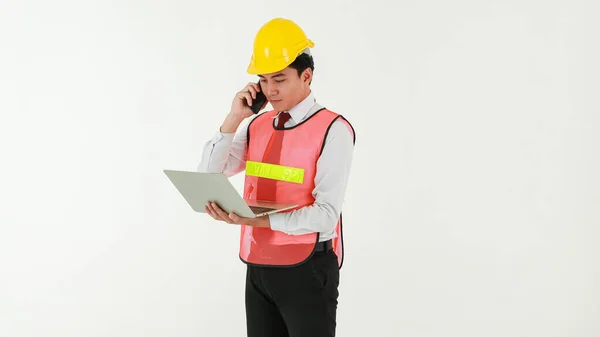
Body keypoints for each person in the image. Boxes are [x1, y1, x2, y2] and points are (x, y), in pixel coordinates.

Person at [197, 17, 356, 337]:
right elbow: (208, 176)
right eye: (264, 80)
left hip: (307, 268)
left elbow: (326, 216)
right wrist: (234, 117)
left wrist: (260, 222)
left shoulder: (333, 130)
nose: (270, 90)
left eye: (280, 79)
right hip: (259, 266)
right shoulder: (256, 126)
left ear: (307, 76)